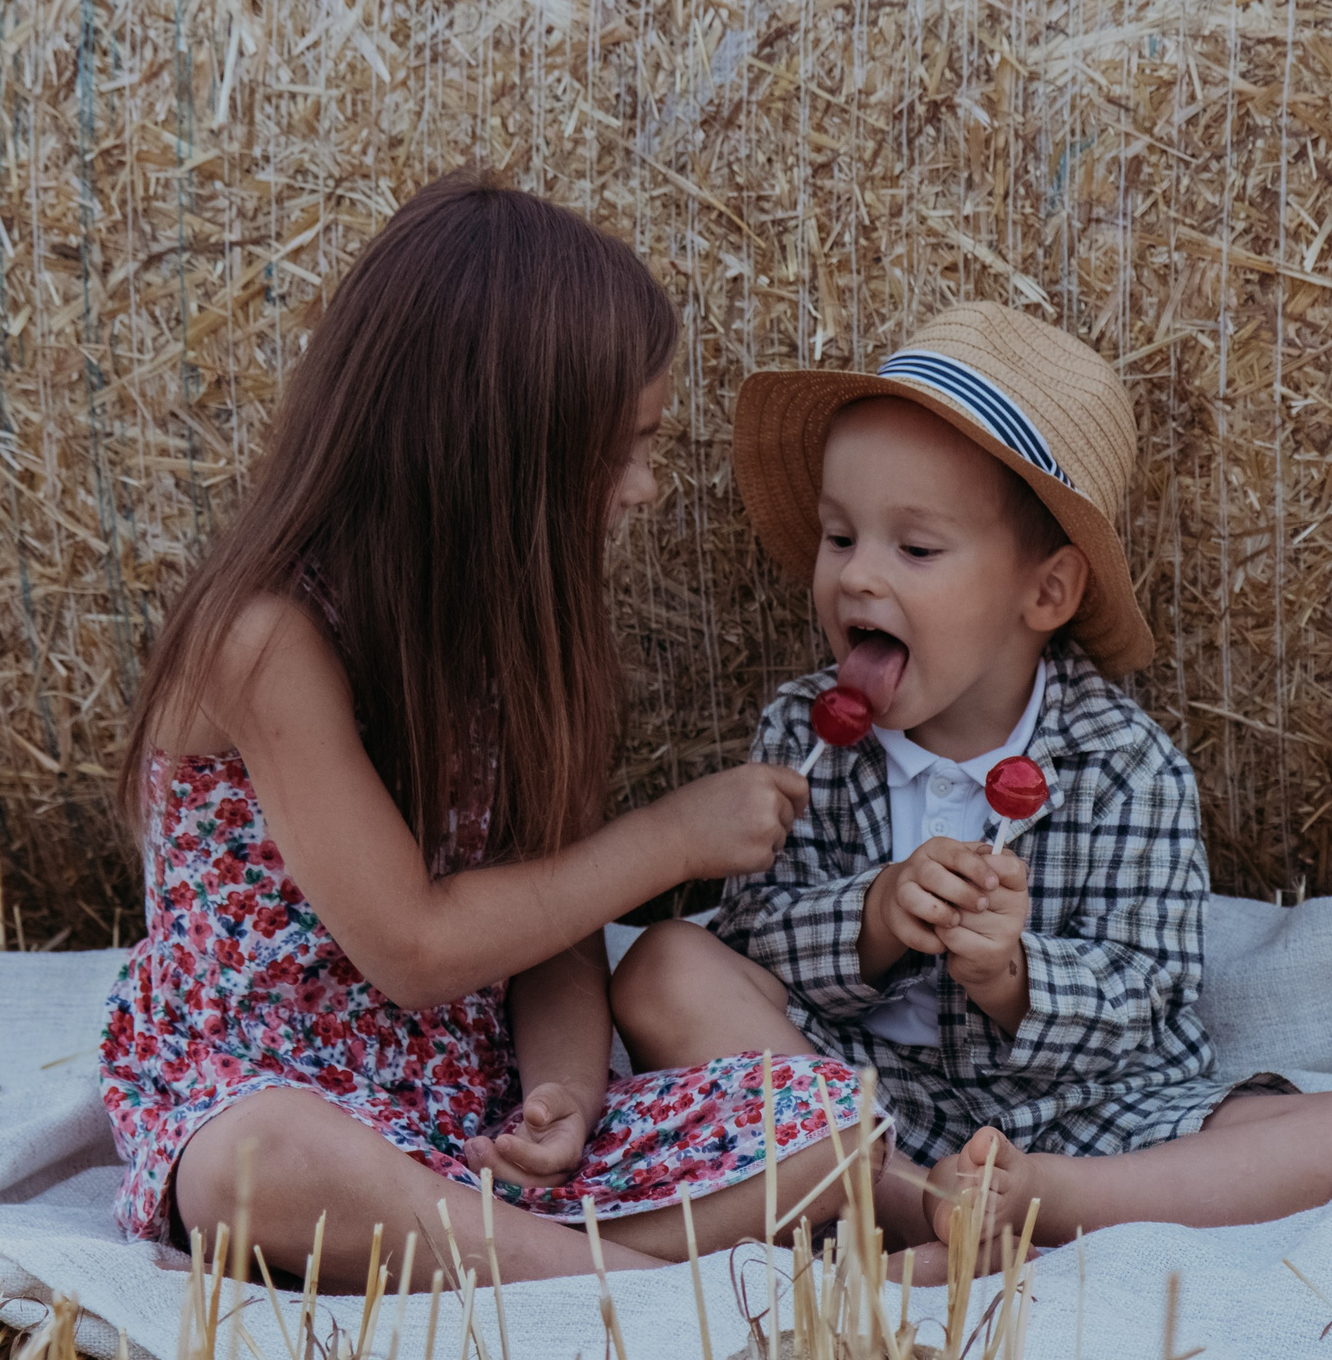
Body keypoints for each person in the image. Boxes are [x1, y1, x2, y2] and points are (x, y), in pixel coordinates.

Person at [98, 171, 871, 1289]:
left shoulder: (500, 623)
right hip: (280, 1096)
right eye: (628, 447)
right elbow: (412, 948)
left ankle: (510, 1255)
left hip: (471, 1128)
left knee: (834, 1123)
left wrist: (566, 1093)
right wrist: (670, 840)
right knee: (257, 1164)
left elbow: (552, 922)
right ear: (502, 456)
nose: (646, 486)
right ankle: (625, 1283)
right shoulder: (264, 639)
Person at [612, 302, 1332, 1252]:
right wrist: (873, 914)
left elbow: (1148, 989)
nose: (858, 578)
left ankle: (1047, 1204)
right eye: (838, 537)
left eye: (916, 548)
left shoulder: (1121, 763)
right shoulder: (803, 735)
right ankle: (904, 1197)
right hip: (851, 1089)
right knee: (663, 966)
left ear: (1047, 592)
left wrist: (1014, 974)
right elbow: (754, 936)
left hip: (1080, 1112)